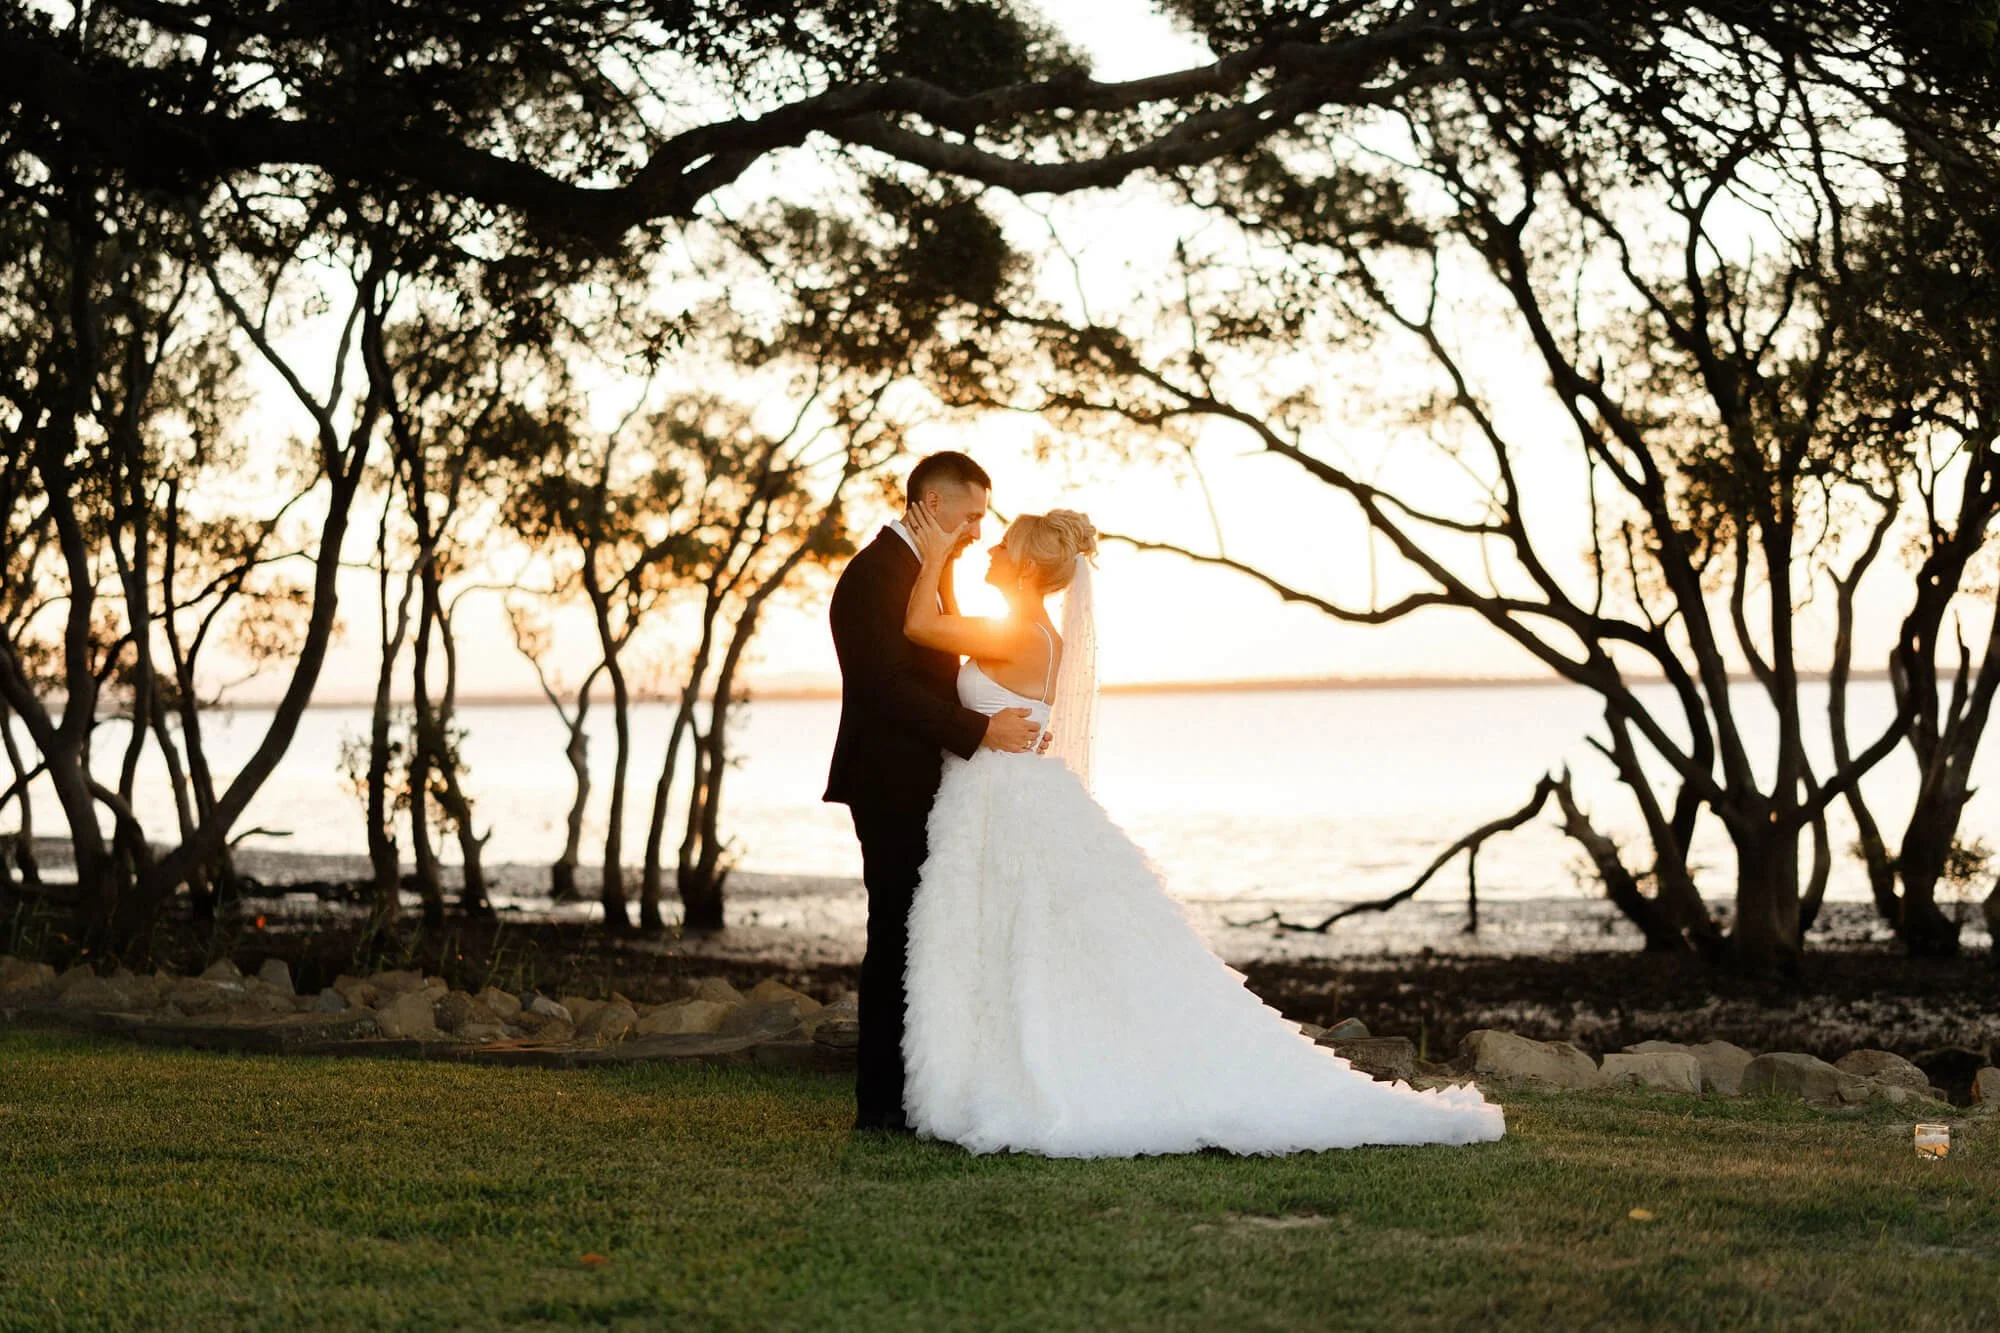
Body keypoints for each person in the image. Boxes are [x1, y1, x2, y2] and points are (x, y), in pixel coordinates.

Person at [894, 501, 1506, 1156]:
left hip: (1007, 807)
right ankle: (1016, 1057)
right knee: (1027, 946)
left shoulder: (1015, 633)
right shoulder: (1035, 631)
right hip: (1007, 803)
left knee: (1021, 943)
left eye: (1000, 546)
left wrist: (933, 554)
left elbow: (920, 623)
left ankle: (1032, 1070)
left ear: (1021, 568)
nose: (988, 552)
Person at [823, 451, 1041, 1133]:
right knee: (893, 933)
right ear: (935, 504)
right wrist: (981, 729)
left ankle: (925, 1091)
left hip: (932, 781)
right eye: (972, 514)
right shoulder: (873, 576)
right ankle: (879, 1104)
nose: (979, 528)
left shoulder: (930, 572)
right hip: (889, 783)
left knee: (928, 934)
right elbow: (886, 687)